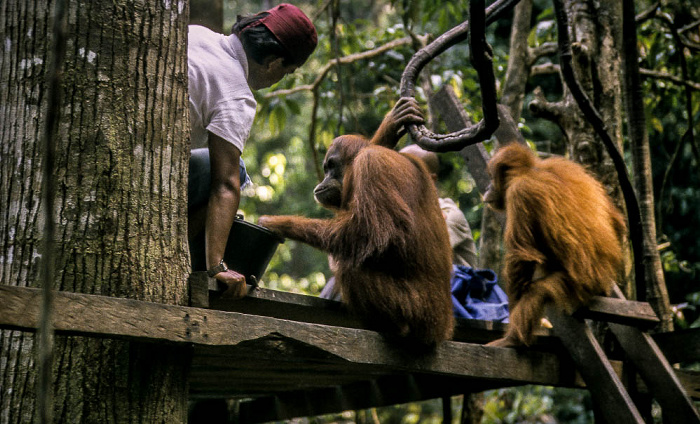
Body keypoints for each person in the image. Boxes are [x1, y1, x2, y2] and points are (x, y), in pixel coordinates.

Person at [188, 4, 318, 296]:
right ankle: (181, 251)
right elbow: (225, 184)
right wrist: (216, 267)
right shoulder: (237, 95)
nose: (278, 80)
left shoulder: (197, 34)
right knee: (238, 170)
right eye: (286, 72)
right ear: (273, 62)